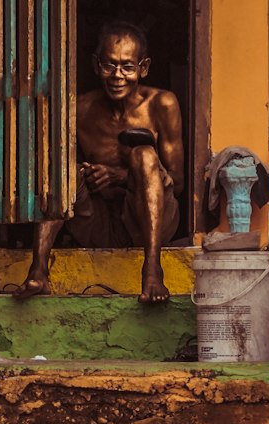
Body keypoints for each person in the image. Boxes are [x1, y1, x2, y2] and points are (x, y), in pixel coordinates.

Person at [17, 22, 184, 305]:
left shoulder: (161, 104)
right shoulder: (80, 109)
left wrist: (122, 176)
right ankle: (39, 271)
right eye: (109, 65)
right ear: (96, 65)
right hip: (99, 223)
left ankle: (153, 271)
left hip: (148, 221)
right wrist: (88, 173)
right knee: (61, 164)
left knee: (143, 155)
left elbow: (177, 184)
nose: (117, 76)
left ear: (143, 68)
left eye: (127, 67)